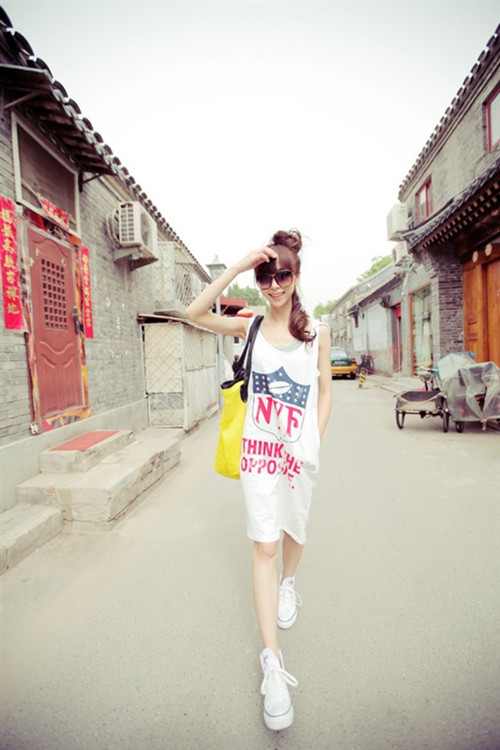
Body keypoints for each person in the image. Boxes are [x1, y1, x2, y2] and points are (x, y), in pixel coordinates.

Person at [186, 229, 332, 731]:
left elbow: (325, 391)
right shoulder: (248, 325)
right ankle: (272, 662)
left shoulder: (317, 332)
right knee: (265, 544)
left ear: (296, 276)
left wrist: (314, 440)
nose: (273, 285)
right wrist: (236, 266)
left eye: (282, 275)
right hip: (258, 454)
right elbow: (195, 313)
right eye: (265, 277)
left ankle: (289, 583)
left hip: (299, 455)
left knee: (295, 531)